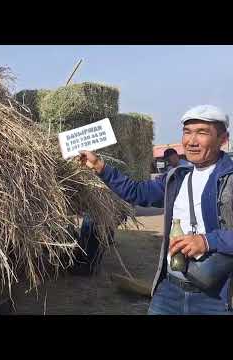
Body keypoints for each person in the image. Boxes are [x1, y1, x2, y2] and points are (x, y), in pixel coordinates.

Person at [79, 104, 233, 315]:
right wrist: (100, 167)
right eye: (187, 132)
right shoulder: (177, 176)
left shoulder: (229, 179)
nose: (192, 141)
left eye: (202, 132)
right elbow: (137, 192)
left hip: (214, 298)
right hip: (169, 290)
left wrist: (207, 241)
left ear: (223, 139)